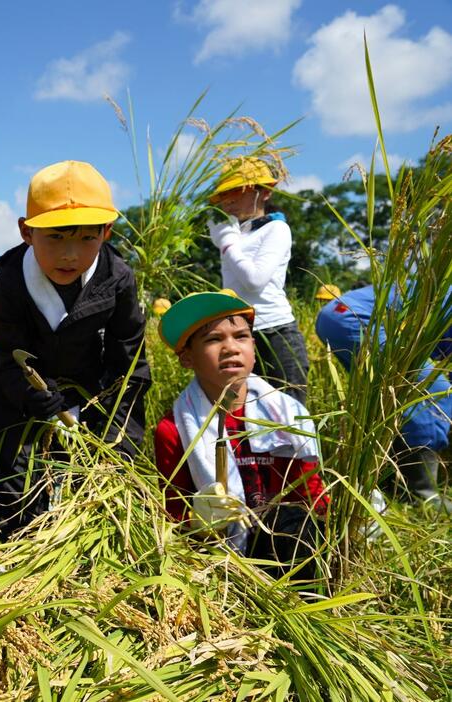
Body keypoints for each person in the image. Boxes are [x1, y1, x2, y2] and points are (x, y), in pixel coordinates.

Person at [0, 160, 151, 541]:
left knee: (91, 497)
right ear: (26, 232)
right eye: (55, 237)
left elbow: (129, 367)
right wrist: (29, 396)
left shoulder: (118, 280)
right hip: (14, 398)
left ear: (106, 232)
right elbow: (6, 353)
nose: (70, 255)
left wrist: (116, 446)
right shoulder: (11, 281)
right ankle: (19, 565)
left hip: (90, 397)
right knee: (16, 494)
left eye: (86, 238)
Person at [155, 291, 327, 578]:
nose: (231, 348)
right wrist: (198, 520)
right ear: (187, 358)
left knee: (294, 522)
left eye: (241, 336)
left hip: (292, 545)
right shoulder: (174, 429)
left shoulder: (286, 413)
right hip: (223, 560)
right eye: (213, 339)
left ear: (254, 346)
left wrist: (346, 515)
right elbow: (174, 512)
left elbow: (309, 492)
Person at [315, 285, 452, 512]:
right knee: (436, 395)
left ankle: (389, 475)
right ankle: (423, 494)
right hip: (358, 319)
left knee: (394, 397)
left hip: (338, 315)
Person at [208, 158, 309, 405]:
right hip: (240, 333)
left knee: (289, 415)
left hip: (276, 333)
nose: (229, 200)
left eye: (237, 191)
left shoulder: (276, 229)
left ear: (264, 192)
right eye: (224, 194)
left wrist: (227, 243)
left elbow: (254, 280)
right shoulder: (235, 233)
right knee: (247, 414)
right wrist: (228, 239)